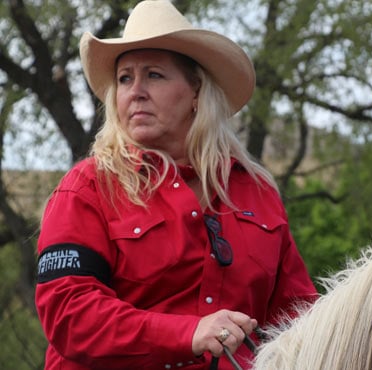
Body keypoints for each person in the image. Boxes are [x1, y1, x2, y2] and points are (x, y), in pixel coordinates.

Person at [35, 1, 318, 369]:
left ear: (197, 91)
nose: (135, 91)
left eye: (154, 75)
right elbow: (70, 316)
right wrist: (188, 334)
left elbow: (300, 321)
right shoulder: (87, 188)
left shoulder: (257, 194)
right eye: (124, 78)